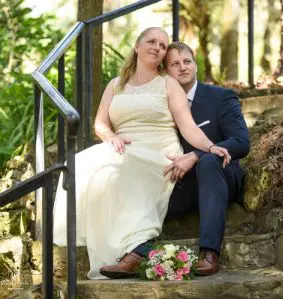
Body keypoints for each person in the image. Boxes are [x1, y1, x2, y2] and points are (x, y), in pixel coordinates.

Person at [53, 28, 230, 280]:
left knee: (121, 167)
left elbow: (188, 127)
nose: (157, 47)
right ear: (137, 46)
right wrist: (111, 137)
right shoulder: (116, 85)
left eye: (162, 44)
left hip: (159, 149)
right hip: (123, 146)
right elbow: (100, 124)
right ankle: (124, 247)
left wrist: (210, 147)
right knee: (82, 162)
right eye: (151, 41)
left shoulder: (168, 84)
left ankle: (135, 250)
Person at [163, 42, 250, 276]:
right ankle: (136, 250)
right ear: (166, 71)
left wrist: (197, 154)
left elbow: (242, 142)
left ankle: (210, 252)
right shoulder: (160, 103)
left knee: (209, 161)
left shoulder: (221, 97)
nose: (182, 68)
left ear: (195, 65)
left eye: (187, 61)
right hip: (181, 185)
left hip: (220, 176)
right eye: (175, 64)